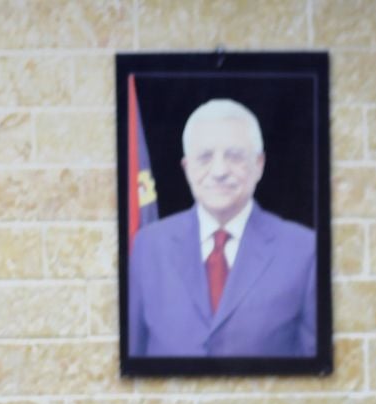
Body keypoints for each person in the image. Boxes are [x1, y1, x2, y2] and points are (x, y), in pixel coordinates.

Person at [127, 98, 318, 359]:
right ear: (187, 168)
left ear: (259, 164)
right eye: (205, 157)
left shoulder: (304, 250)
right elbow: (133, 358)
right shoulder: (148, 247)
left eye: (235, 156)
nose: (219, 171)